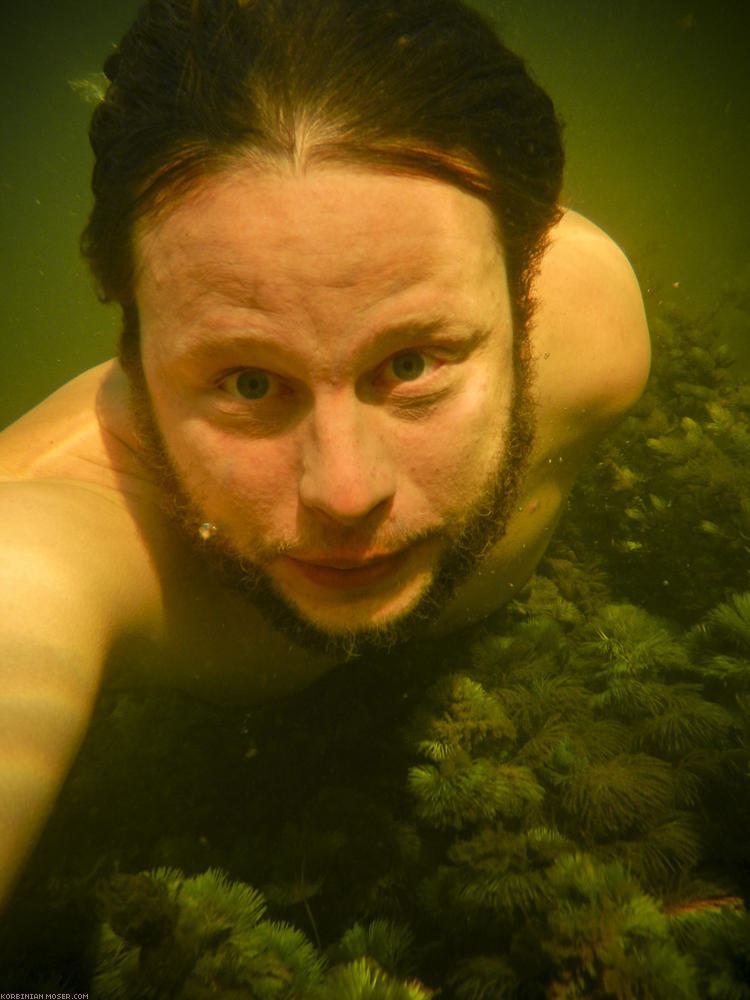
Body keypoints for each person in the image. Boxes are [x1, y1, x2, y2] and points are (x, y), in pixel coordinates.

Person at [0, 0, 649, 909]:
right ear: (130, 346)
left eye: (411, 363)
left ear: (524, 299)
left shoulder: (598, 340)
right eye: (248, 382)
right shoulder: (55, 519)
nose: (346, 496)